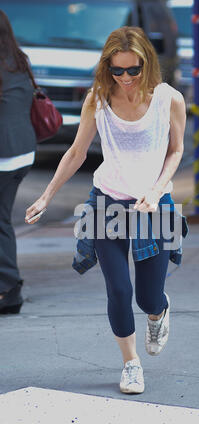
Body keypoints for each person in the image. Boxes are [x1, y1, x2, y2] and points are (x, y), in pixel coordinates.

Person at [25, 26, 186, 394]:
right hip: (107, 202)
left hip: (153, 204)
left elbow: (176, 150)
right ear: (107, 69)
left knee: (147, 297)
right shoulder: (98, 99)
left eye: (133, 70)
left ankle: (159, 313)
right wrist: (47, 195)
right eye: (118, 71)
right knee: (118, 289)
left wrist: (158, 189)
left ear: (147, 64)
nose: (126, 78)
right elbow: (77, 152)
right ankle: (131, 364)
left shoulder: (168, 99)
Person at [0, 10, 37, 314]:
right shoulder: (19, 60)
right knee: (2, 220)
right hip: (22, 153)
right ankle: (9, 289)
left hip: (4, 155)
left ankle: (9, 289)